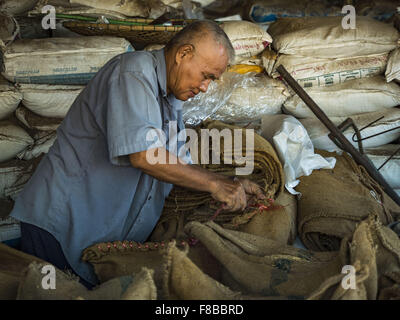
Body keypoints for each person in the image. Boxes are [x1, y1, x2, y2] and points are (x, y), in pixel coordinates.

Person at [10, 20, 265, 288]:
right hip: (61, 228)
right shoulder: (131, 73)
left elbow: (180, 165)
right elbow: (143, 155)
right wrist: (215, 184)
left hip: (94, 238)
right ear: (183, 54)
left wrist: (231, 184)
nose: (205, 87)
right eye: (206, 75)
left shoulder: (171, 100)